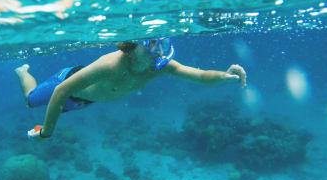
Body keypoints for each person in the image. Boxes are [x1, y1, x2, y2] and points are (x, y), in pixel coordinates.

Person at [15, 38, 247, 141]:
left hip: (84, 100)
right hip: (64, 85)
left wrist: (224, 76)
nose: (159, 52)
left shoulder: (159, 67)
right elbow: (60, 92)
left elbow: (199, 75)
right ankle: (23, 71)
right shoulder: (112, 64)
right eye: (153, 45)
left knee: (57, 106)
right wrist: (47, 131)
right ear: (134, 46)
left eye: (163, 45)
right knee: (30, 101)